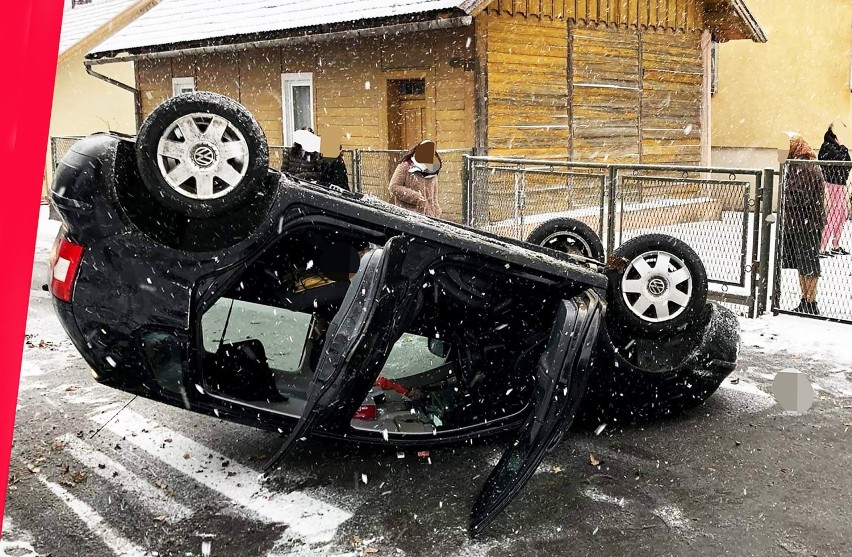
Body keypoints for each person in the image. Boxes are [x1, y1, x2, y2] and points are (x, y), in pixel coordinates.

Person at [781, 135, 826, 315]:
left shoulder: (805, 167)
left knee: (808, 263)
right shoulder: (795, 164)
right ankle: (805, 299)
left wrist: (783, 198)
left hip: (807, 224)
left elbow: (800, 196)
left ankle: (810, 301)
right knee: (802, 263)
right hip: (799, 223)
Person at [817, 124, 850, 256]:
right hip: (833, 183)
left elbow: (847, 161)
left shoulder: (833, 148)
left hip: (840, 183)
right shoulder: (828, 147)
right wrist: (843, 147)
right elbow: (843, 159)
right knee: (834, 215)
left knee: (842, 214)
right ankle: (822, 247)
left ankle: (835, 245)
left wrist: (842, 148)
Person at [388, 140, 442, 218]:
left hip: (429, 218)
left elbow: (434, 198)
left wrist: (436, 214)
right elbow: (393, 187)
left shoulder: (433, 171)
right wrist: (416, 198)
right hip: (408, 215)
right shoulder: (405, 166)